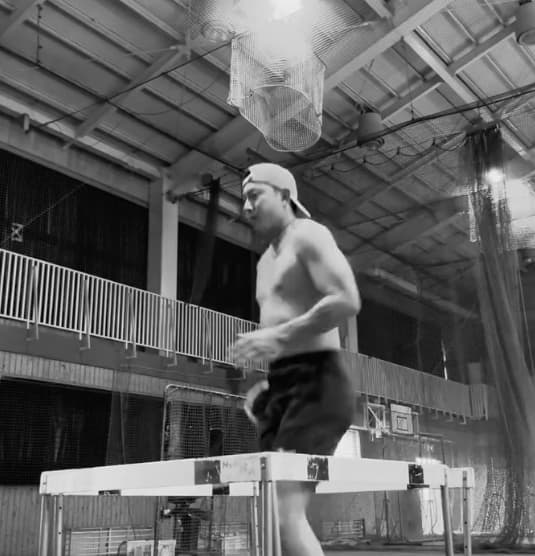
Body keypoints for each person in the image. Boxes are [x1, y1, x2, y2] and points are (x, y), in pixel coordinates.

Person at [230, 162, 361, 556]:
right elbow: (282, 326)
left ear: (285, 196)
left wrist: (279, 337)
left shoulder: (308, 235)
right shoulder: (263, 263)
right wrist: (272, 386)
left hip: (318, 383)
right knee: (270, 514)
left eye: (255, 195)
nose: (246, 207)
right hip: (285, 384)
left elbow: (346, 300)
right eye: (243, 199)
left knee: (284, 513)